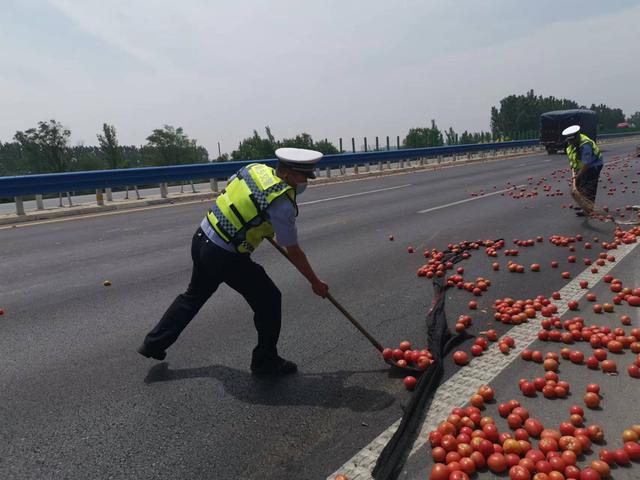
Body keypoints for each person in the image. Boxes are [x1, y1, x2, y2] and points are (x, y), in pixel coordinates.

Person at [138, 148, 329, 375]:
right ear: (287, 174)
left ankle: (153, 343)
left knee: (194, 295)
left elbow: (230, 188)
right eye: (302, 177)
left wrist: (254, 218)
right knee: (269, 299)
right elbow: (293, 250)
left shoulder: (255, 170)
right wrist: (315, 282)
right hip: (224, 255)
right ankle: (265, 361)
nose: (305, 182)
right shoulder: (282, 203)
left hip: (202, 237)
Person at [562, 125, 603, 216]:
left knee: (588, 185)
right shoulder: (571, 144)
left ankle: (588, 208)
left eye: (572, 140)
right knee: (579, 185)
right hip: (581, 166)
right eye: (569, 140)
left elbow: (586, 164)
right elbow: (573, 160)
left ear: (577, 136)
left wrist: (578, 175)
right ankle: (582, 204)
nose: (570, 142)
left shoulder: (585, 145)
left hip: (593, 165)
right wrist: (575, 172)